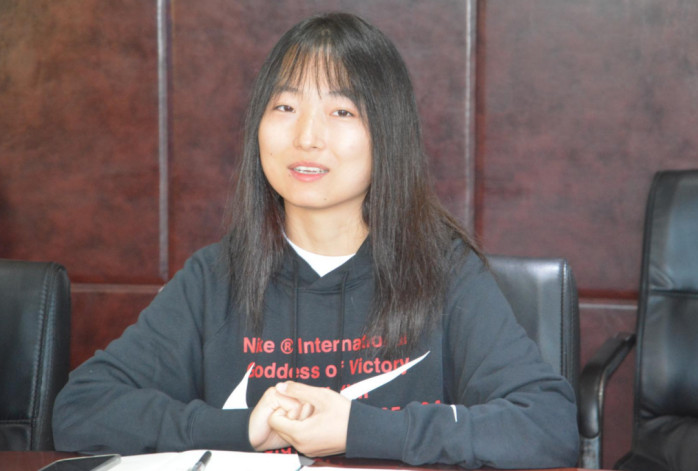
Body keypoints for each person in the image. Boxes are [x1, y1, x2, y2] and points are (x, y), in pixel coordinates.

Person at [52, 12, 579, 468]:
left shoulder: (444, 271)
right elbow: (82, 409)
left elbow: (548, 424)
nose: (306, 136)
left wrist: (360, 429)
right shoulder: (216, 277)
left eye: (341, 112)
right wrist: (242, 429)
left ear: (388, 135)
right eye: (285, 107)